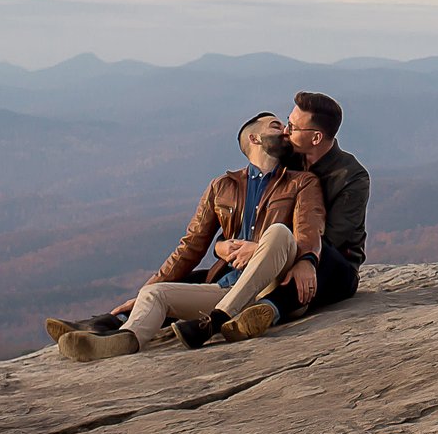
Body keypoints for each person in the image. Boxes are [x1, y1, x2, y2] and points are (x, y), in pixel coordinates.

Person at [53, 112, 324, 361]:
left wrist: (292, 256)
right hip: (227, 289)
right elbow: (190, 246)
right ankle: (124, 339)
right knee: (154, 294)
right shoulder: (222, 187)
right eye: (276, 126)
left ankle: (216, 320)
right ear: (254, 138)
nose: (286, 132)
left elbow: (308, 231)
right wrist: (142, 292)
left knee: (278, 232)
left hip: (272, 289)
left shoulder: (302, 182)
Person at [283, 90, 370, 310]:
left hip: (334, 265)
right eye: (287, 123)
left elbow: (333, 238)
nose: (286, 131)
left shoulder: (351, 177)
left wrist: (303, 260)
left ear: (316, 138)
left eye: (293, 127)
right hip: (283, 254)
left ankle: (264, 310)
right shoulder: (287, 161)